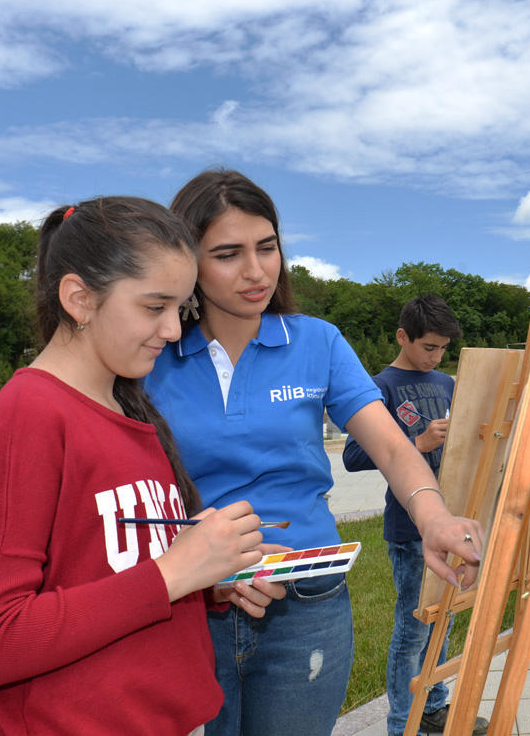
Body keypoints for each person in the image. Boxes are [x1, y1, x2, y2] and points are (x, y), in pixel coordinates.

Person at [144, 169, 484, 736]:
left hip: (307, 604)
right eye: (227, 253)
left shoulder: (317, 340)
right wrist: (201, 565)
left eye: (267, 247)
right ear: (185, 262)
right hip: (192, 604)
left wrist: (434, 517)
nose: (255, 271)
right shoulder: (152, 352)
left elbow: (393, 448)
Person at [0, 197, 286, 734]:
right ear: (80, 299)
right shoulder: (28, 417)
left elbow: (110, 574)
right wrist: (173, 573)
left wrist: (208, 578)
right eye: (154, 307)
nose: (174, 330)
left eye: (182, 309)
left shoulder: (129, 407)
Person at [342, 295, 488, 736]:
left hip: (452, 523)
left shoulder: (446, 383)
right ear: (403, 336)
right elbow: (352, 456)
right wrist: (419, 444)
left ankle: (433, 708)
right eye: (428, 346)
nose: (436, 356)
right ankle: (402, 723)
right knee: (413, 627)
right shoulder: (378, 386)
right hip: (410, 529)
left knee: (442, 620)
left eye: (443, 348)